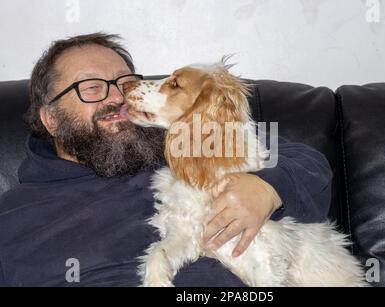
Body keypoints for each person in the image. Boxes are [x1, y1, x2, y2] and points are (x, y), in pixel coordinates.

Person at [0, 33, 333, 287]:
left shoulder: (185, 142)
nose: (117, 97)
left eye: (124, 82)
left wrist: (267, 188)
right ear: (51, 119)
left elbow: (306, 161)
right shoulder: (12, 216)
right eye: (91, 88)